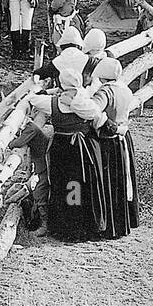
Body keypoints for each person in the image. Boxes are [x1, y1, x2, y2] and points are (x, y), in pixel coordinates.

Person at [27, 72, 107, 241]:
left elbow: (32, 99)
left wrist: (48, 92)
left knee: (62, 185)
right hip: (81, 149)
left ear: (61, 85)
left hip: (61, 148)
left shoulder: (52, 103)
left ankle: (65, 226)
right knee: (77, 184)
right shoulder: (86, 103)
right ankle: (79, 224)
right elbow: (97, 116)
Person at [90, 57, 140, 238]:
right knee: (121, 181)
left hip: (107, 140)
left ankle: (108, 226)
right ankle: (122, 224)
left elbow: (93, 112)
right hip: (123, 137)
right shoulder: (125, 90)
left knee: (107, 183)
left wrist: (104, 122)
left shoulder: (105, 93)